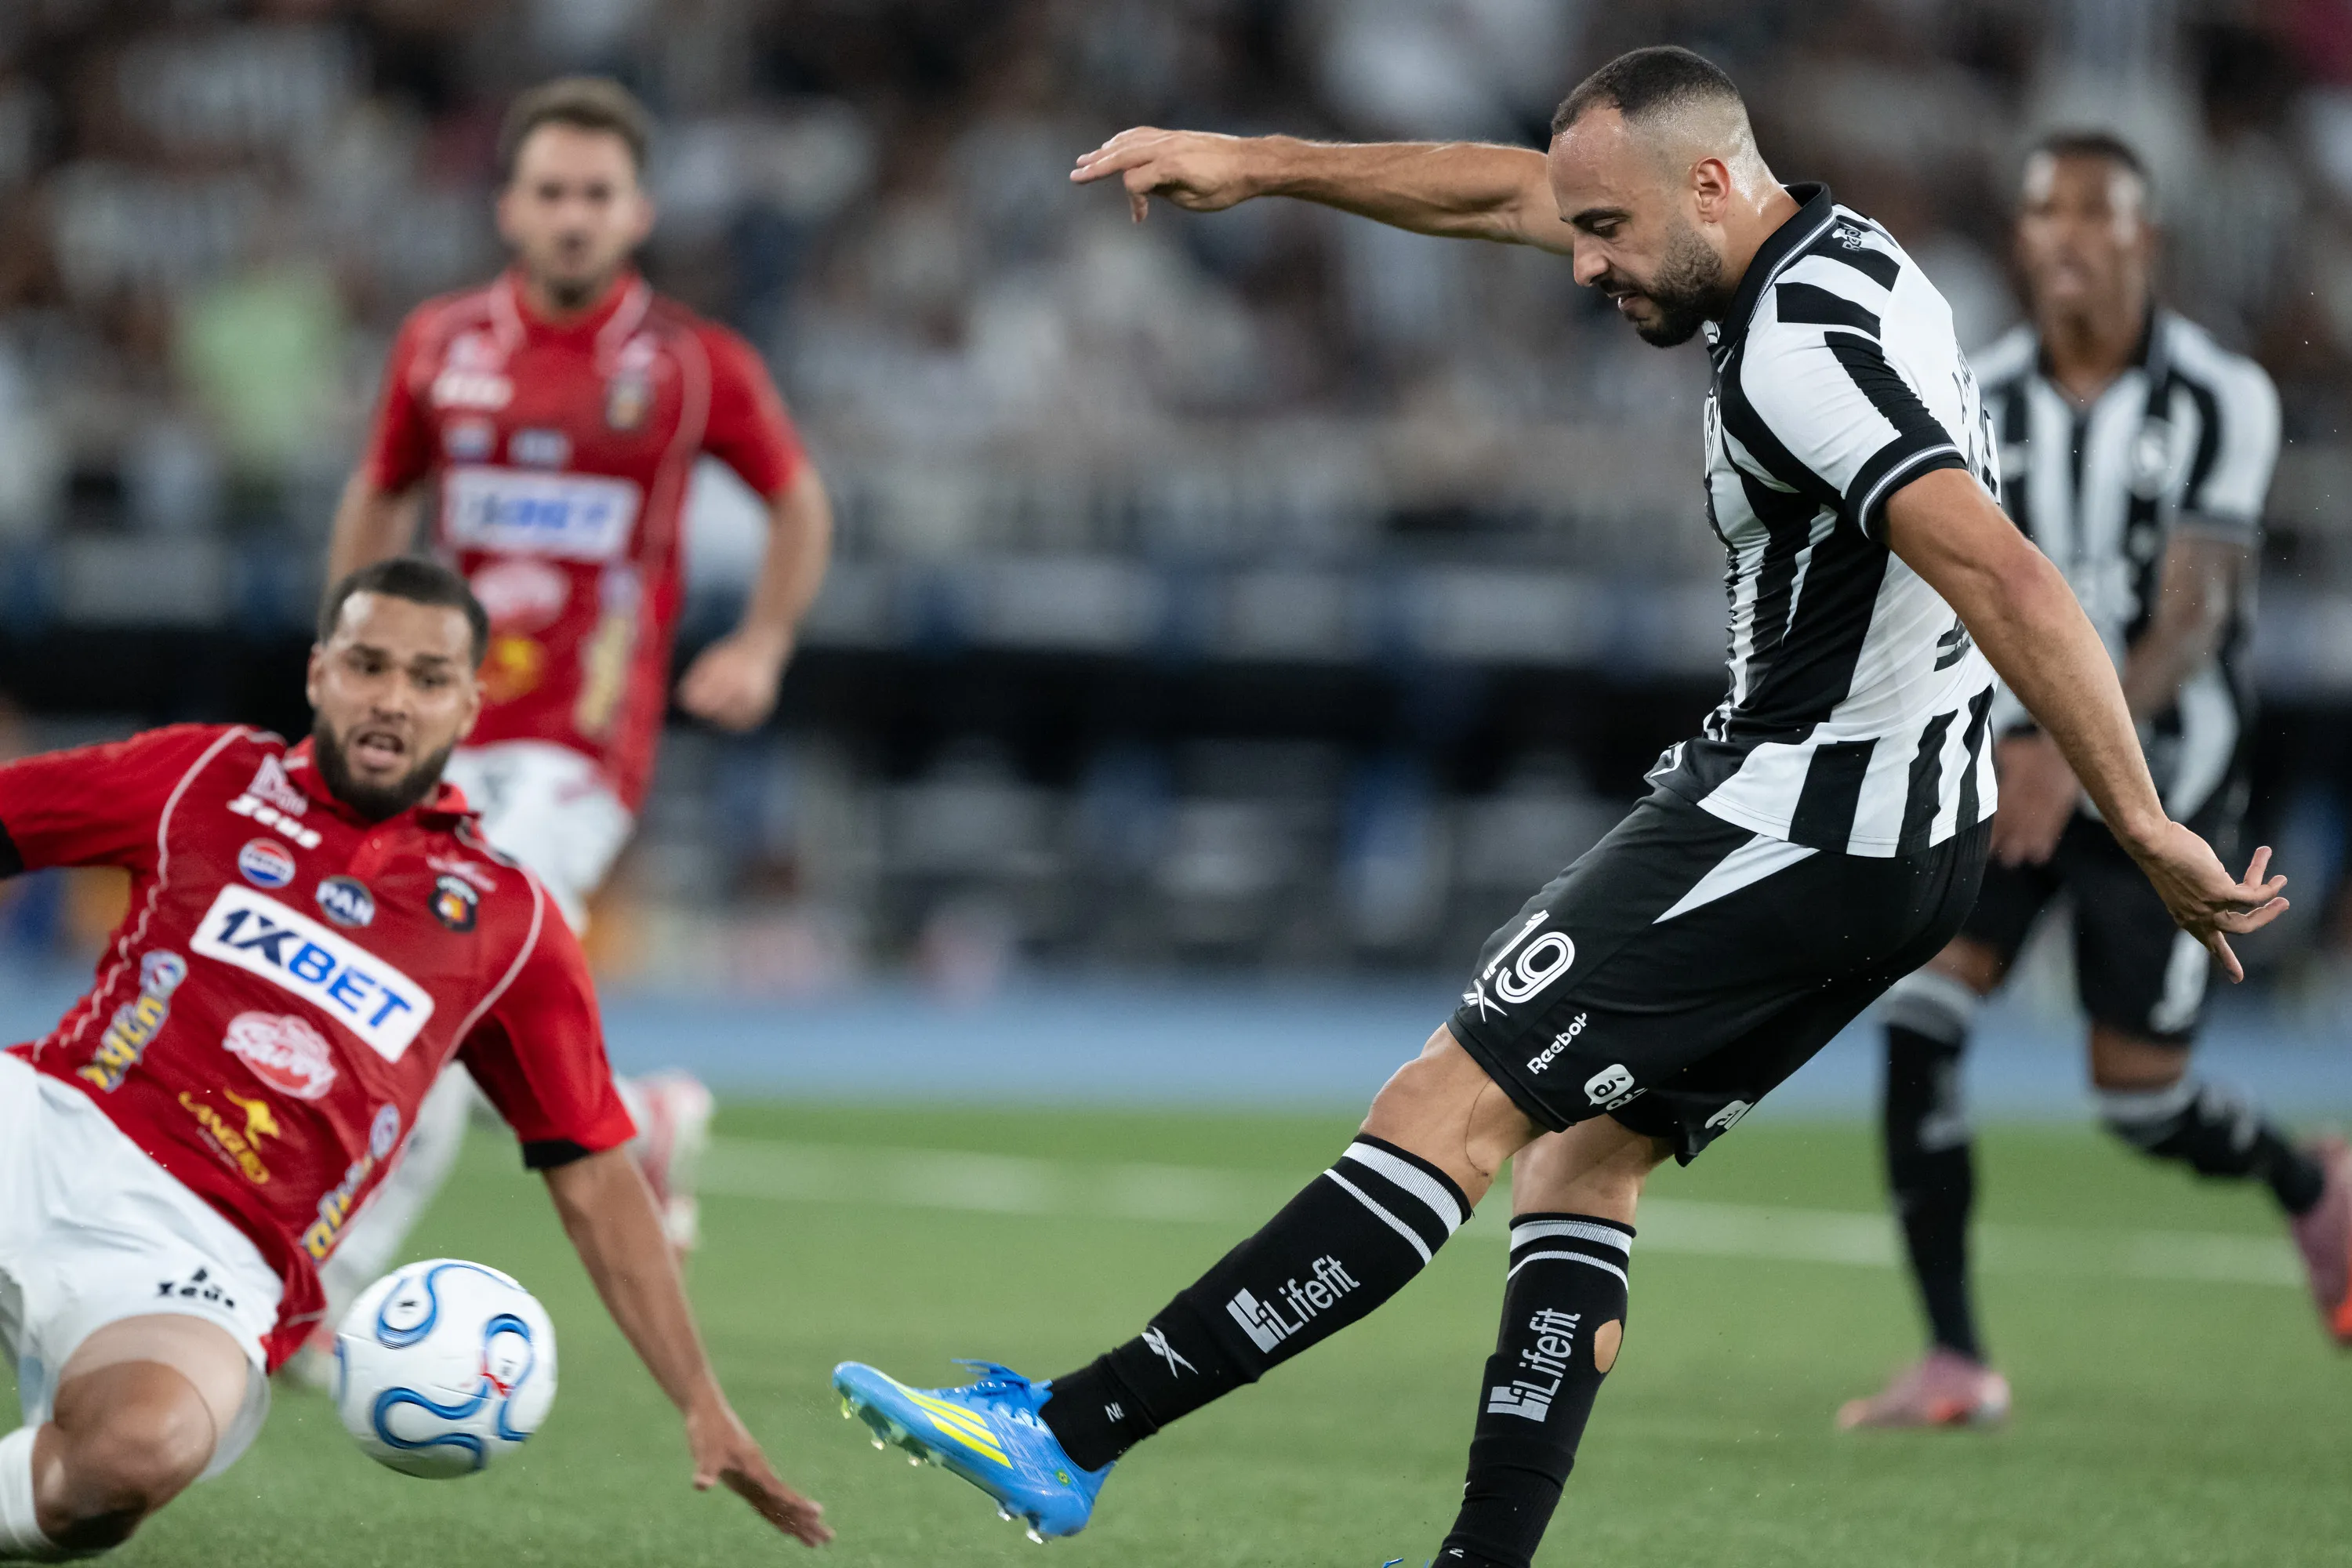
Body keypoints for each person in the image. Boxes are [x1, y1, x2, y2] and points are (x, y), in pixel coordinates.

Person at [826, 46, 2294, 1566]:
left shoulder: (1796, 347)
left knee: (1439, 1107)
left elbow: (2004, 572)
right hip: (1899, 836)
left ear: (1711, 185)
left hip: (1798, 814)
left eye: (1604, 231)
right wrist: (1261, 159)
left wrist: (2141, 818)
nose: (1581, 261)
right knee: (1581, 1160)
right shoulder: (1834, 249)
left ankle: (1069, 1433)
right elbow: (1498, 187)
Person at [0, 559, 829, 1559]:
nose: (392, 697)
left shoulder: (506, 921)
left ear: (471, 704)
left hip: (213, 1254)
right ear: (319, 673)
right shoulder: (204, 775)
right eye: (367, 664)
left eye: (429, 677)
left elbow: (596, 1177)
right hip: (46, 1124)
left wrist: (701, 1399)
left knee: (137, 1455)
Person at [1837, 133, 2344, 1431]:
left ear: (2145, 240)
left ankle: (2308, 1182)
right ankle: (1955, 1357)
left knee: (2143, 1100)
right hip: (2005, 777)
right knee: (1919, 1020)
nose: (2065, 234)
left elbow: (2189, 617)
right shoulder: (1976, 390)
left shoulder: (2222, 394)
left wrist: (2071, 744)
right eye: (2042, 212)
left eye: (2095, 213)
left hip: (2167, 791)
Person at [317, 77, 833, 1333]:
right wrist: (348, 646)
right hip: (439, 725)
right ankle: (636, 1118)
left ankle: (323, 1292)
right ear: (507, 204)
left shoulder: (688, 366)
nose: (571, 216)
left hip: (581, 743)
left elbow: (802, 501)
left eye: (595, 195)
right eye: (550, 191)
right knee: (442, 985)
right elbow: (379, 490)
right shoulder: (441, 345)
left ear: (638, 211)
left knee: (443, 967)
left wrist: (763, 643)